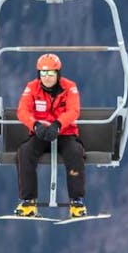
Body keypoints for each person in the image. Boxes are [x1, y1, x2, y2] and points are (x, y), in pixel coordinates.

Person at [14, 53, 87, 218]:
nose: (46, 78)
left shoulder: (69, 87)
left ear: (58, 74)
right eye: (43, 73)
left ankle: (77, 201)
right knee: (25, 152)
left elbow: (73, 110)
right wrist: (35, 125)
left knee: (75, 152)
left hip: (65, 133)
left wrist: (58, 124)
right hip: (40, 132)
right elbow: (22, 111)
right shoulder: (32, 87)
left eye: (51, 73)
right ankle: (28, 201)